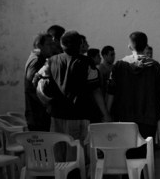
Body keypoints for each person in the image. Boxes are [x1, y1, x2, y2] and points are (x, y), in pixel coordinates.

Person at [34, 30, 111, 161]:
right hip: (79, 115)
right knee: (77, 157)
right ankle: (76, 175)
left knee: (59, 157)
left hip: (56, 116)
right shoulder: (87, 62)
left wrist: (46, 101)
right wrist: (105, 113)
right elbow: (96, 90)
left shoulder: (51, 61)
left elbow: (36, 80)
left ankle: (61, 175)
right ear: (80, 44)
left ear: (61, 44)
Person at [107, 32, 160, 148]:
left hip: (124, 119)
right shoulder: (155, 66)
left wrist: (107, 114)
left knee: (126, 153)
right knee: (147, 154)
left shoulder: (119, 65)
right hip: (149, 119)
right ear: (146, 46)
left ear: (129, 46)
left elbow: (111, 92)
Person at [24, 32, 54, 131]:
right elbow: (31, 86)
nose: (52, 47)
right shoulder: (36, 60)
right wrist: (47, 103)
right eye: (49, 44)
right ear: (39, 45)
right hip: (37, 114)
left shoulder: (39, 59)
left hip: (39, 113)